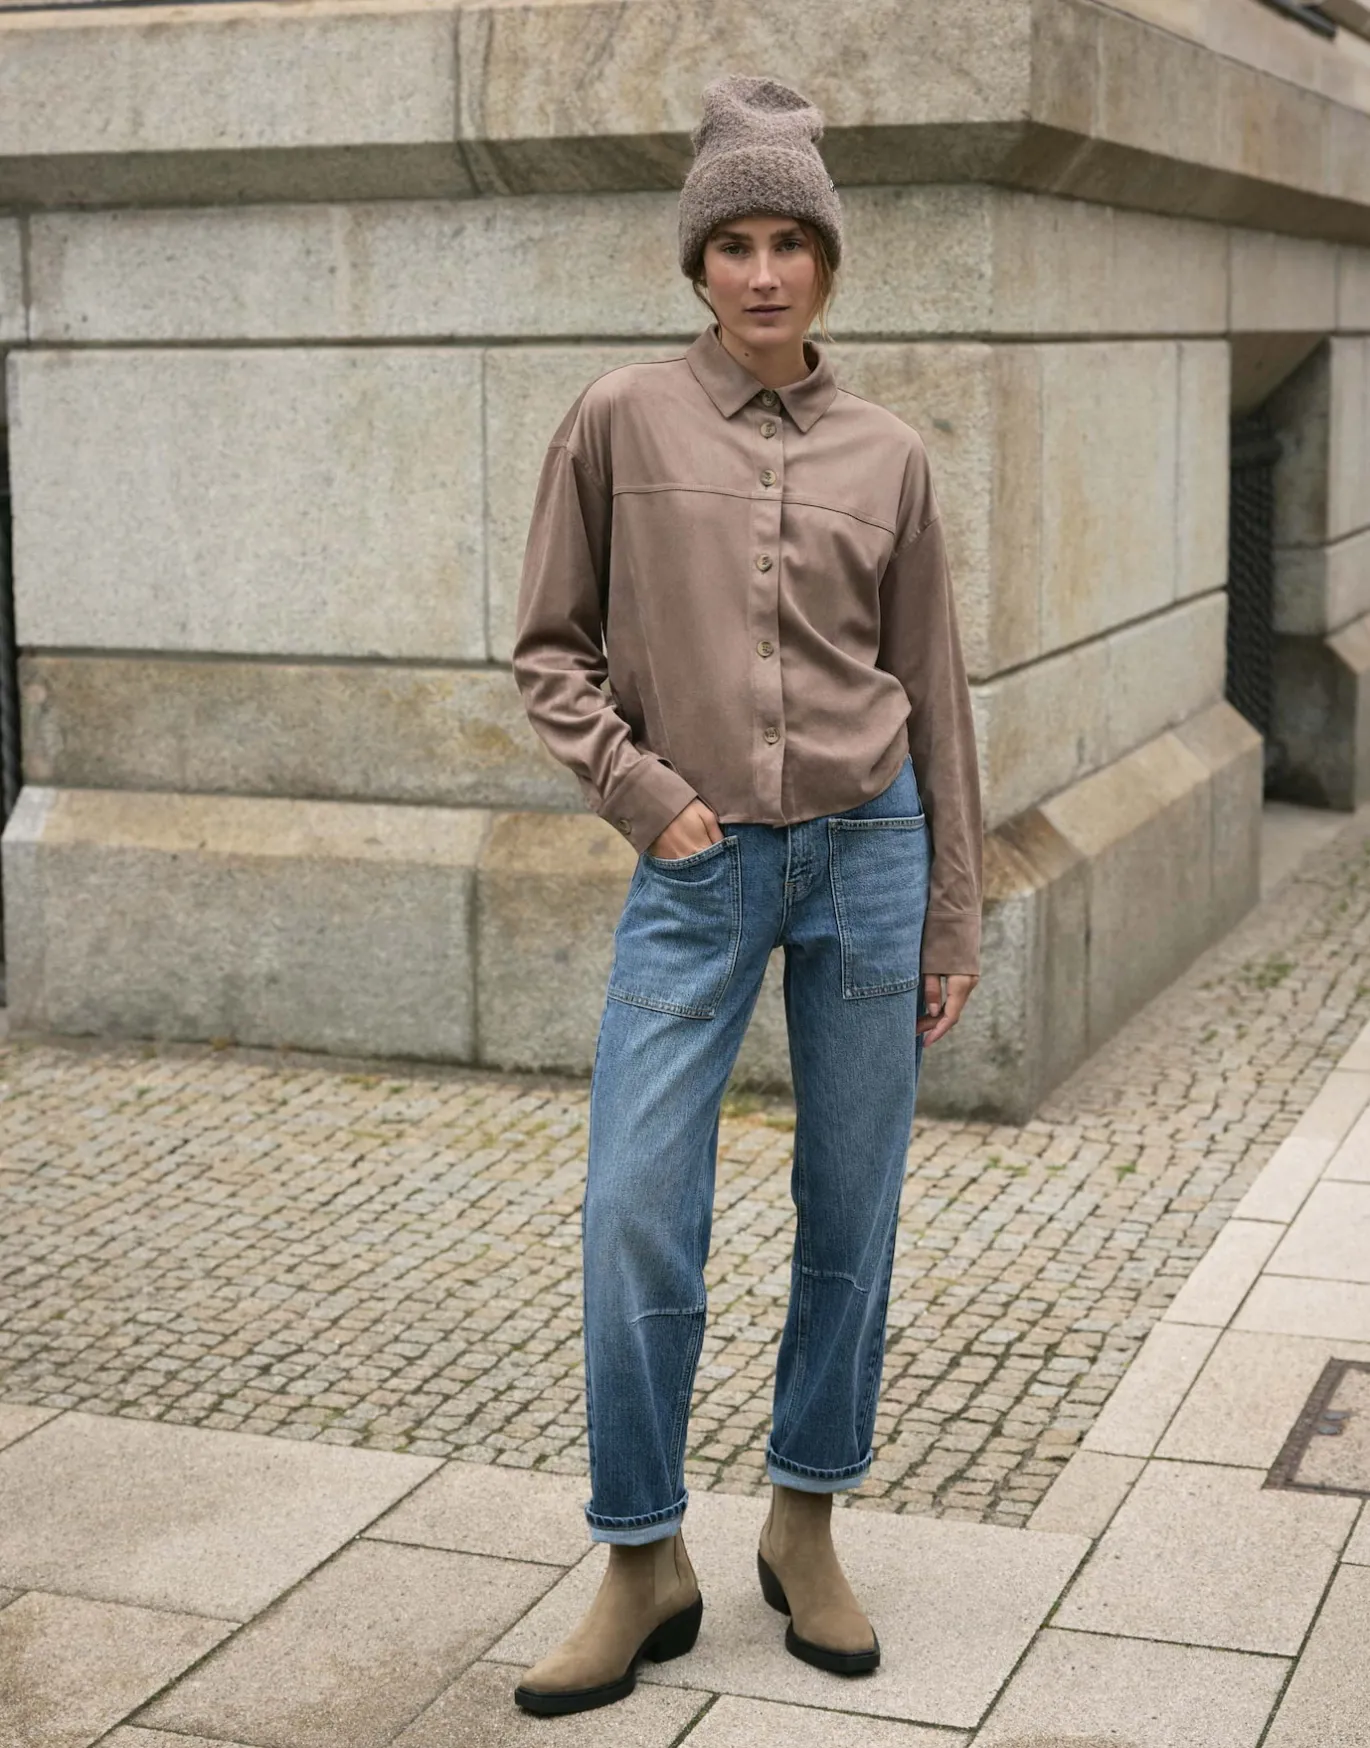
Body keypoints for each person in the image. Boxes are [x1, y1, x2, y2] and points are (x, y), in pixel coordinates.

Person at [508, 72, 983, 1716]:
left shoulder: (889, 454)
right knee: (635, 1203)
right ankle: (641, 1554)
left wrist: (951, 909)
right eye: (735, 244)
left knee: (852, 1205)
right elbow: (549, 651)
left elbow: (932, 689)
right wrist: (651, 802)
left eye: (792, 243)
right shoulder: (619, 420)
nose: (764, 273)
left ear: (827, 264)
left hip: (871, 853)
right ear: (696, 262)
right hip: (696, 868)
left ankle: (803, 1519)